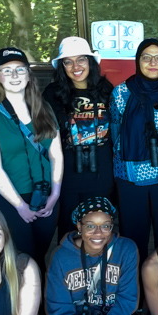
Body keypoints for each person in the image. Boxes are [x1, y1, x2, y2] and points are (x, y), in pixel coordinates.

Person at [0, 47, 63, 276]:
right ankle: (22, 310)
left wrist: (54, 194)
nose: (14, 76)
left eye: (20, 70)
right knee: (19, 259)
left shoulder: (44, 109)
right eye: (7, 70)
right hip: (9, 199)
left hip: (45, 195)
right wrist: (19, 206)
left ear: (28, 75)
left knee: (39, 254)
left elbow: (56, 154)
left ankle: (42, 309)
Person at [109, 39, 158, 262]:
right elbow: (115, 138)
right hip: (130, 178)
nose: (153, 62)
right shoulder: (121, 93)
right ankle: (136, 291)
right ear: (138, 61)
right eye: (146, 57)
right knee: (133, 239)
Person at [43, 36, 115, 240]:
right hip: (67, 173)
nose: (75, 66)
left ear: (90, 62)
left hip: (101, 172)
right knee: (68, 228)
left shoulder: (106, 90)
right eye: (68, 61)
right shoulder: (52, 93)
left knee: (99, 227)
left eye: (81, 59)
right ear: (62, 66)